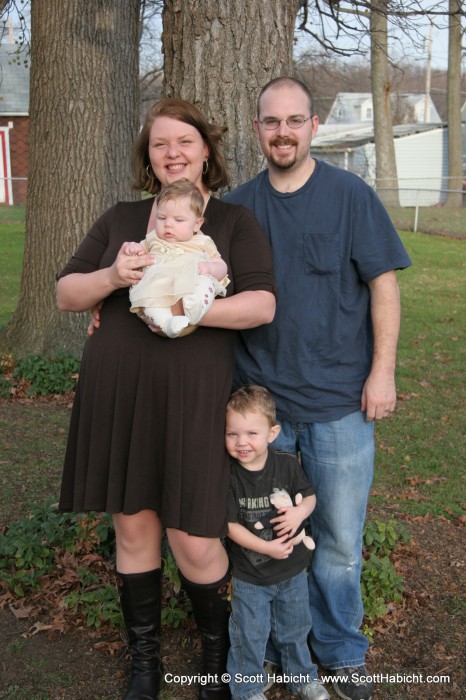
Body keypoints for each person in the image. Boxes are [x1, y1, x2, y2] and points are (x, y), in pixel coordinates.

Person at [56, 97, 276, 700]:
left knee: (195, 536)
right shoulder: (123, 218)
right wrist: (112, 280)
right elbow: (66, 293)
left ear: (206, 149)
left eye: (184, 141)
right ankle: (145, 664)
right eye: (160, 144)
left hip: (193, 398)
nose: (173, 153)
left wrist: (186, 313)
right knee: (134, 528)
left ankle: (215, 659)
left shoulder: (231, 223)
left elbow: (261, 305)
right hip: (120, 395)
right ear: (148, 156)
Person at [225, 77, 412, 700]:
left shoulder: (349, 196)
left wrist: (382, 371)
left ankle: (339, 652)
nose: (283, 131)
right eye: (271, 121)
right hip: (262, 412)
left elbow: (383, 284)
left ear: (312, 127)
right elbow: (193, 283)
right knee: (273, 540)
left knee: (335, 541)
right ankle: (286, 650)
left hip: (339, 405)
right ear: (258, 129)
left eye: (295, 120)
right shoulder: (236, 208)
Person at [225, 385, 330, 700]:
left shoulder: (286, 464)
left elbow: (310, 497)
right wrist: (267, 548)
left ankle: (302, 678)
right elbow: (230, 526)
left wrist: (299, 513)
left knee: (296, 630)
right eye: (232, 434)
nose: (242, 442)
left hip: (293, 572)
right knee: (249, 636)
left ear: (273, 433)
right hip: (250, 578)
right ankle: (247, 689)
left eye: (251, 433)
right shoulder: (229, 476)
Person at [127, 179, 229, 338]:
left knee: (205, 282)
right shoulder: (153, 238)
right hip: (158, 287)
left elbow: (221, 266)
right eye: (161, 218)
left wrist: (209, 268)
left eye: (178, 220)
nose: (168, 224)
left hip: (190, 284)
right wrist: (133, 248)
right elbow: (139, 251)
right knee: (148, 302)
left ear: (197, 224)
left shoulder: (202, 242)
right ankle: (167, 323)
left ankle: (195, 307)